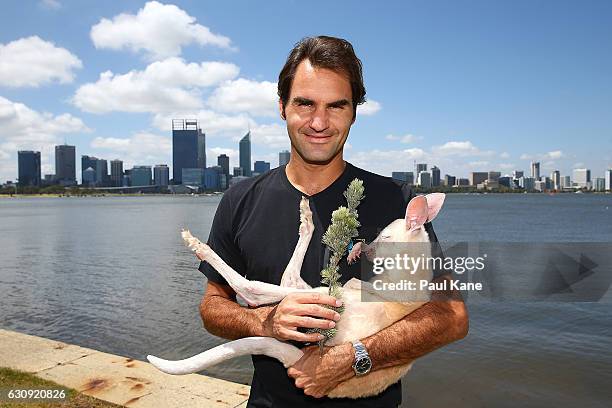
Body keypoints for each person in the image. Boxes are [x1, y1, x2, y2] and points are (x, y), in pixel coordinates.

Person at [198, 36, 468, 408]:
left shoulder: (397, 204)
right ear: (282, 107)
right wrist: (264, 322)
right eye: (305, 103)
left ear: (354, 112)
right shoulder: (240, 200)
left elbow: (450, 315)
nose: (319, 122)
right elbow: (212, 308)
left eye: (337, 106)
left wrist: (355, 357)